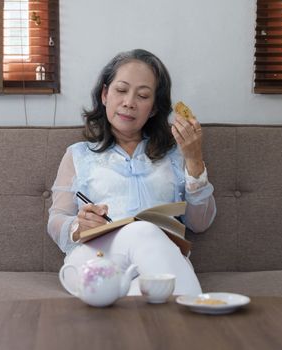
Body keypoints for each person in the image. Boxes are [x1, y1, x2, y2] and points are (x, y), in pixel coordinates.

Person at [48, 49, 216, 296]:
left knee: (145, 296)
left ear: (155, 108)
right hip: (94, 261)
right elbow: (56, 219)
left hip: (159, 260)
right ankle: (197, 318)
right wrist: (78, 225)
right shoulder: (78, 154)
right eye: (121, 90)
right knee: (143, 229)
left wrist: (194, 159)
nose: (129, 102)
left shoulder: (177, 154)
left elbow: (200, 223)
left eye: (143, 95)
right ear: (105, 94)